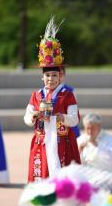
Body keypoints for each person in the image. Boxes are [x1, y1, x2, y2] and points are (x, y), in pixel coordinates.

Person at [24, 16, 81, 182]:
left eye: (54, 75)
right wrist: (33, 116)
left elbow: (74, 119)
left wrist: (62, 117)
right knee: (42, 178)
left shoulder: (67, 95)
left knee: (63, 181)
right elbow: (27, 117)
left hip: (62, 143)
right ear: (42, 78)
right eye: (47, 75)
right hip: (41, 142)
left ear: (60, 76)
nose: (51, 79)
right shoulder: (36, 95)